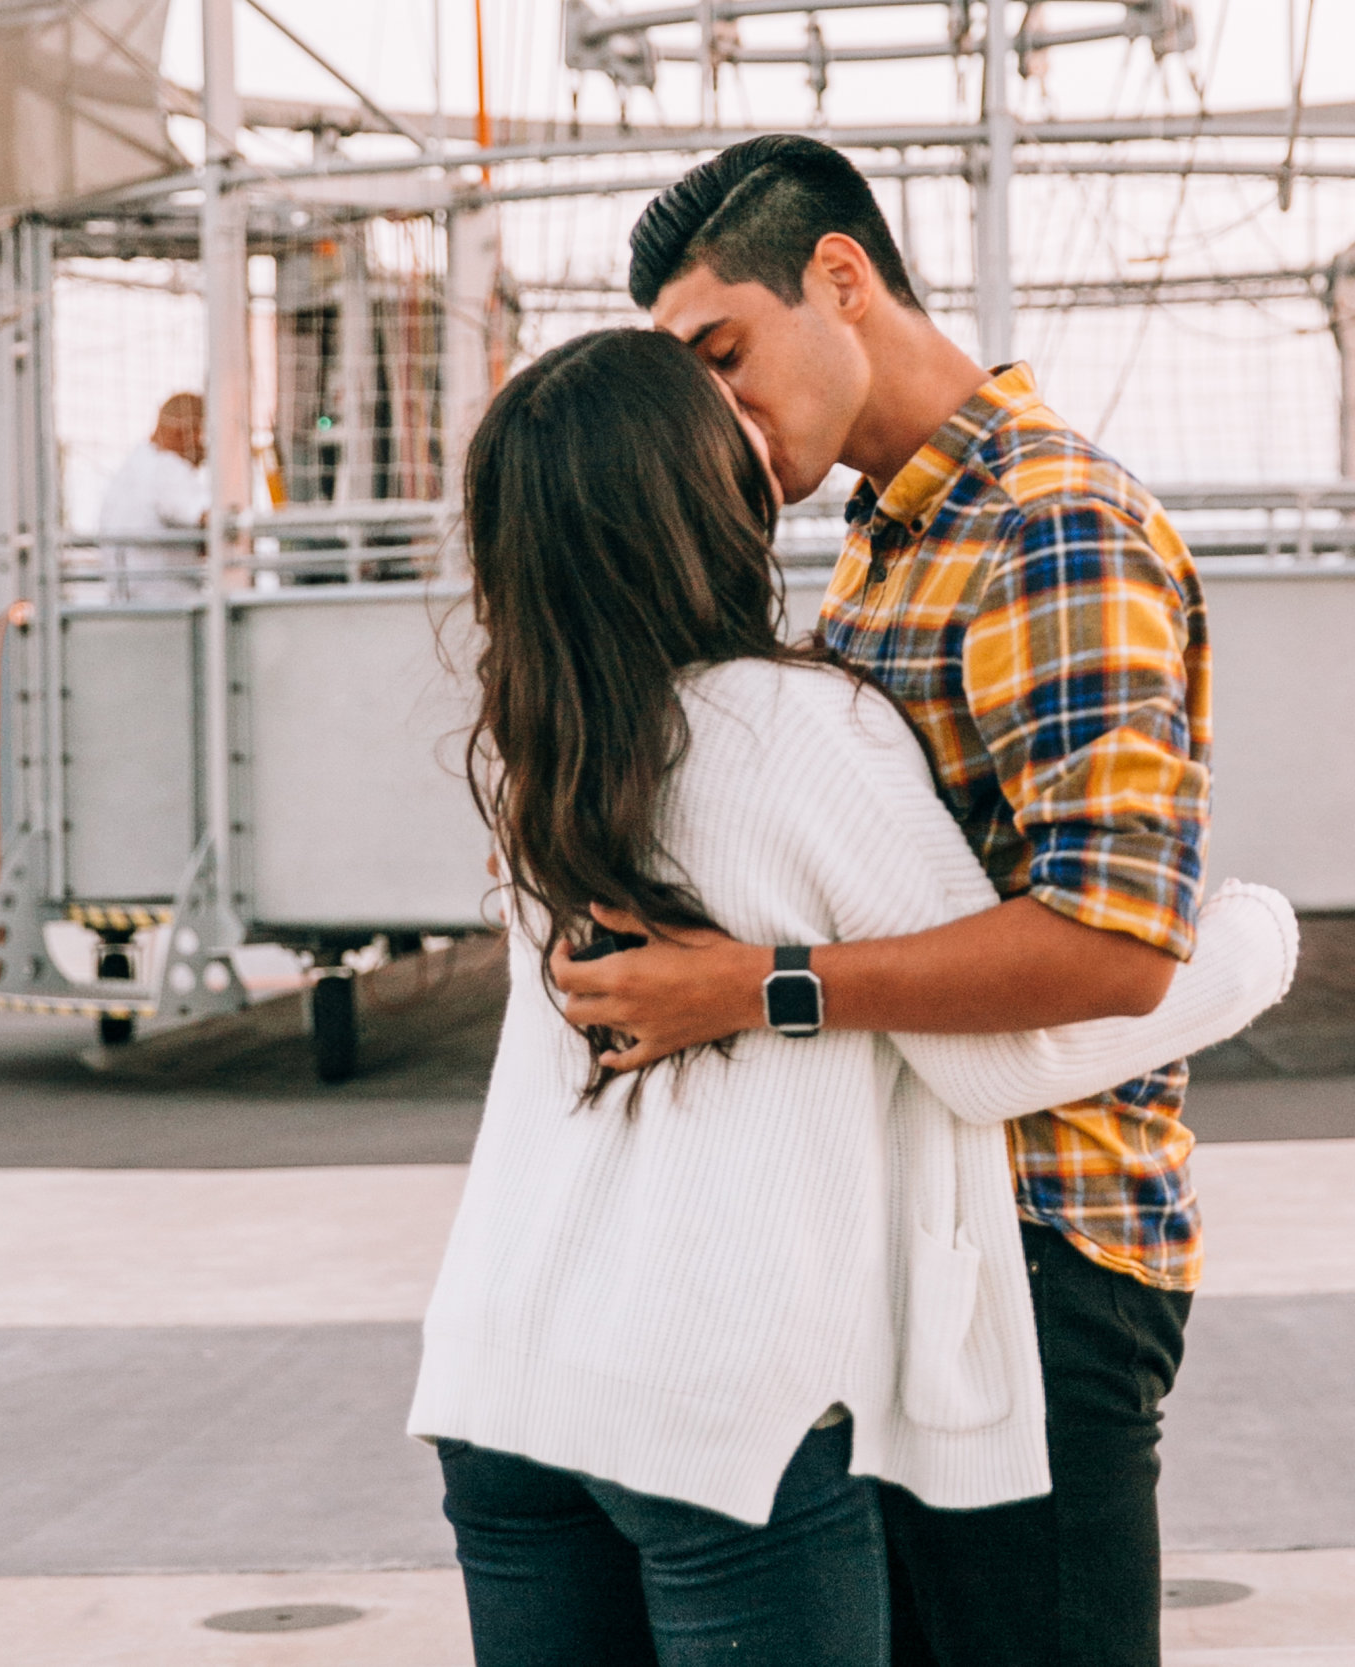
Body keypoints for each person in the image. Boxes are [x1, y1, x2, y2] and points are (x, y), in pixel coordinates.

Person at [407, 327, 1294, 1667]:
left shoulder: (541, 749)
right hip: (711, 1400)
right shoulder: (798, 733)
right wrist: (1247, 946)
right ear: (689, 496)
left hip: (500, 1367)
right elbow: (994, 1058)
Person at [556, 134, 1218, 1667]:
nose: (715, 408)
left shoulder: (1048, 525)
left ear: (840, 280)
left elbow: (1115, 939)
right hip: (916, 1241)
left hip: (1046, 1246)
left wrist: (749, 984)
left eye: (724, 352)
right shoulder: (882, 542)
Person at [97, 391, 208, 599]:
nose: (206, 449)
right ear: (187, 432)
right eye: (204, 435)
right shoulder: (168, 467)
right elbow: (210, 517)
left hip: (126, 601)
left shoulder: (132, 468)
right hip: (170, 603)